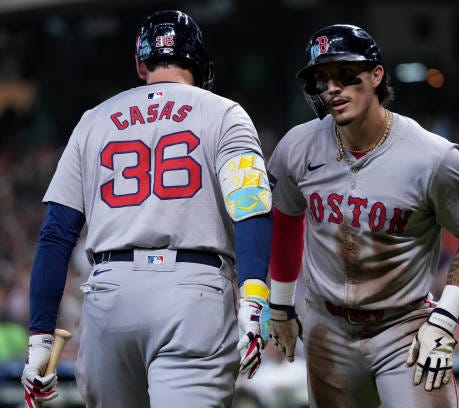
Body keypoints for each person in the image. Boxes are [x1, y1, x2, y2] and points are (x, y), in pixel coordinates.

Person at [20, 10, 272, 408]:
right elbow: (252, 208)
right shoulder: (224, 112)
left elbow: (56, 233)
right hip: (193, 291)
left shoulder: (94, 120)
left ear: (141, 64)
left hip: (110, 294)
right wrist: (254, 298)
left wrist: (40, 337)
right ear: (200, 63)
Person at [267, 24, 459, 407]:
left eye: (345, 76)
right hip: (327, 329)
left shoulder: (432, 156)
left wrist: (445, 316)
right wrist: (281, 304)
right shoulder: (297, 146)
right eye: (322, 80)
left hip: (403, 327)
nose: (332, 89)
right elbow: (286, 218)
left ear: (376, 76)